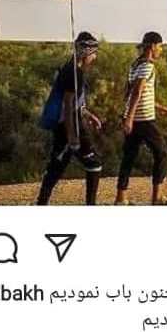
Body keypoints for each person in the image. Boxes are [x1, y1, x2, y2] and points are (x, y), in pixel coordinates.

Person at [36, 32, 103, 205]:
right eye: (93, 53)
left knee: (57, 166)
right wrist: (72, 136)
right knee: (93, 164)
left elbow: (76, 103)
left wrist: (89, 115)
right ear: (86, 52)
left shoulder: (69, 68)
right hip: (71, 125)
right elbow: (68, 105)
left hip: (66, 124)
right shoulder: (74, 73)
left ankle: (41, 203)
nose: (94, 58)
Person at [115, 31, 167, 205]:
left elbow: (137, 93)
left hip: (134, 118)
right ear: (153, 46)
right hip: (143, 120)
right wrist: (130, 118)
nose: (161, 50)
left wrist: (160, 108)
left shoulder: (135, 65)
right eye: (160, 46)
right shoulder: (148, 66)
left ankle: (121, 199)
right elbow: (137, 92)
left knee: (129, 157)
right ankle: (157, 197)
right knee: (162, 154)